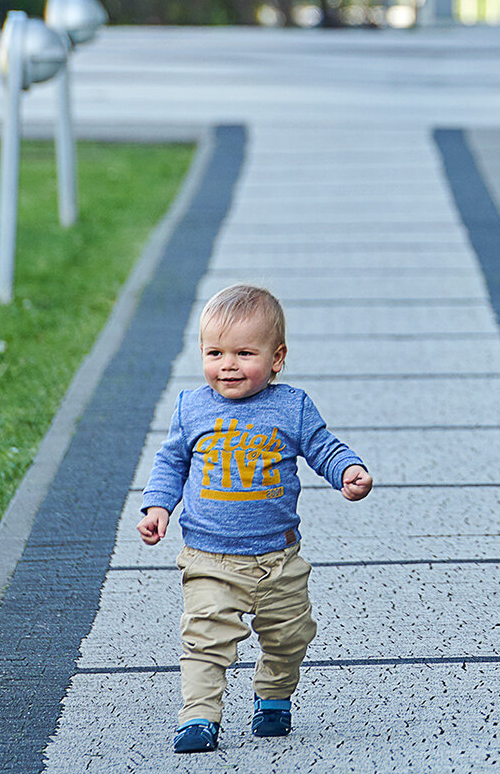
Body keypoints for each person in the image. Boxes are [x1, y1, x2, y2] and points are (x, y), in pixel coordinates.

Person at [137, 284, 373, 753]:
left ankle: (274, 696)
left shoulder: (292, 406)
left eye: (245, 353)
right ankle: (199, 718)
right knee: (205, 639)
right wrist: (158, 506)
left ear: (277, 358)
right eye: (214, 352)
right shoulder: (192, 407)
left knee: (290, 636)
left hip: (278, 559)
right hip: (209, 557)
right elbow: (171, 463)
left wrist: (348, 470)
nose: (227, 365)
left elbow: (322, 447)